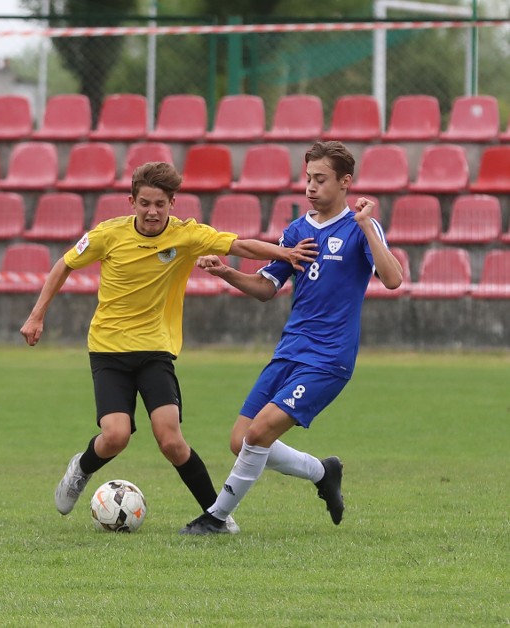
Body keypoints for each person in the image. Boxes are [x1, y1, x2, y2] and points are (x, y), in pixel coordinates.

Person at [21, 161, 318, 532]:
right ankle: (80, 468)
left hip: (155, 351)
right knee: (115, 436)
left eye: (160, 204)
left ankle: (217, 516)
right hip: (109, 349)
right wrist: (36, 315)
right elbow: (63, 265)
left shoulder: (186, 236)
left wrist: (284, 254)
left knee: (171, 441)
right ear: (131, 201)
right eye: (144, 202)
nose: (151, 211)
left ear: (172, 203)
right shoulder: (107, 235)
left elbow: (239, 244)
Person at [180, 140, 403, 535]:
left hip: (329, 358)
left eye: (320, 180)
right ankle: (323, 472)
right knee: (240, 440)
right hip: (289, 351)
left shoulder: (359, 229)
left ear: (345, 182)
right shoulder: (296, 231)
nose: (311, 188)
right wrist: (227, 272)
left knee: (260, 432)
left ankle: (215, 518)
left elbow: (393, 279)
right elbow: (267, 288)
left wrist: (367, 224)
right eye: (308, 179)